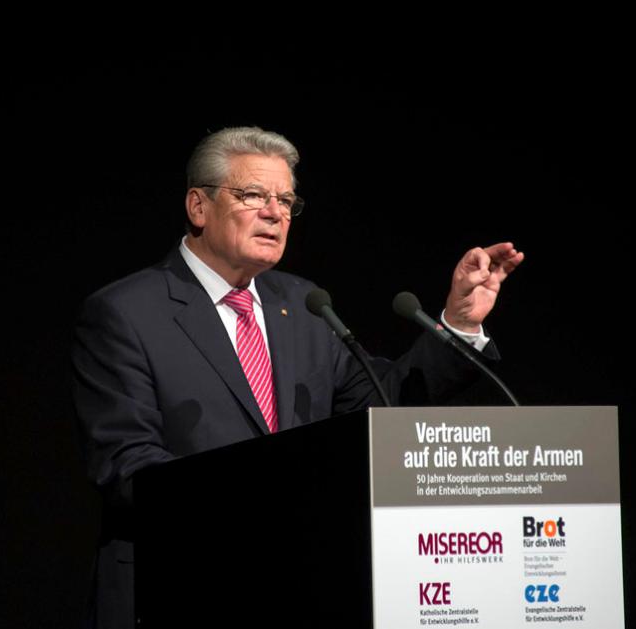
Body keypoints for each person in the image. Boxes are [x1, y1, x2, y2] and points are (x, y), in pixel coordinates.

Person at [71, 126, 524, 628]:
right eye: (252, 195)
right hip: (175, 589)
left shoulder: (304, 305)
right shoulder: (126, 313)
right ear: (198, 207)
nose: (275, 213)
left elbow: (380, 408)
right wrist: (282, 499)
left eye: (286, 200)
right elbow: (127, 469)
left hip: (301, 588)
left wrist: (457, 323)